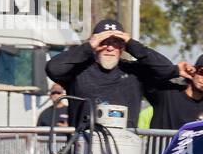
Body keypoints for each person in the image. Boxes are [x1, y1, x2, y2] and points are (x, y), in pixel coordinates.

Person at [45, 18, 176, 129]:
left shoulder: (135, 72)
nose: (110, 48)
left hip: (123, 150)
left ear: (123, 46)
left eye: (116, 42)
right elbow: (52, 69)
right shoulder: (78, 71)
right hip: (84, 148)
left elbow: (168, 70)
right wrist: (88, 47)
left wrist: (132, 45)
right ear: (95, 44)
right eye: (104, 42)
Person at [147, 53, 203, 130]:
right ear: (194, 71)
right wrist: (175, 70)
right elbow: (143, 70)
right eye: (202, 72)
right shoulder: (167, 92)